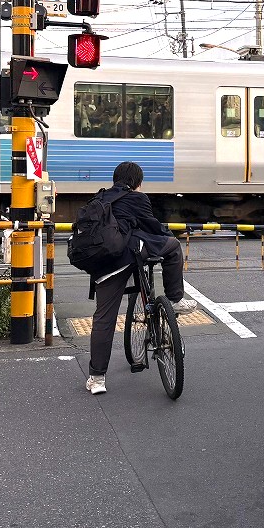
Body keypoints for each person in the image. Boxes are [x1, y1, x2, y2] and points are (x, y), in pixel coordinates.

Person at [84, 161, 198, 395]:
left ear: (115, 179)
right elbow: (153, 226)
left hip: (103, 264)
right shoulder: (137, 198)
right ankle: (175, 299)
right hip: (130, 254)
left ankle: (97, 378)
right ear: (137, 182)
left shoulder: (99, 199)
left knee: (104, 319)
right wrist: (167, 234)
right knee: (173, 246)